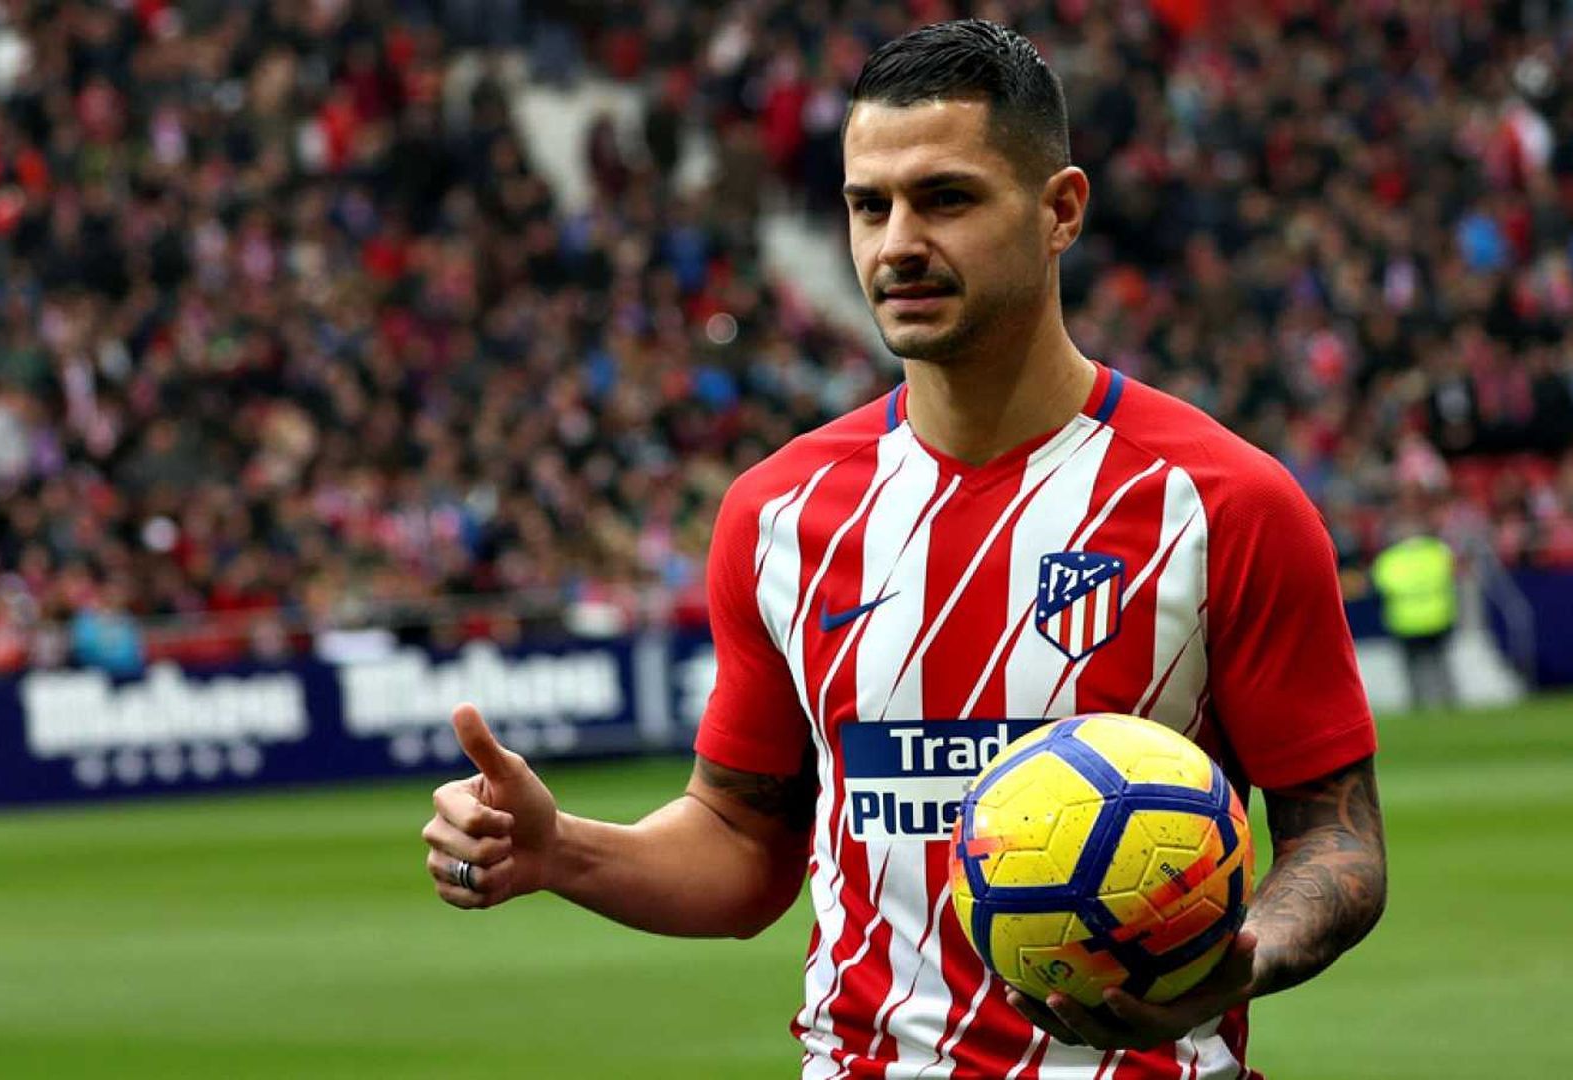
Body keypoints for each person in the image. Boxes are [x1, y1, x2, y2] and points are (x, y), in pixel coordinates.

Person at [421, 20, 1385, 1078]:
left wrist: (1244, 959)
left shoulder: (1223, 503)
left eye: (947, 198)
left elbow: (1336, 839)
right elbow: (743, 850)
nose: (897, 244)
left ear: (1061, 210)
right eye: (867, 206)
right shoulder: (779, 514)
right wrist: (562, 851)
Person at [1370, 514, 1459, 709]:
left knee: (1413, 668)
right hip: (1438, 617)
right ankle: (1449, 703)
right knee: (1440, 664)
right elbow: (1453, 575)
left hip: (1405, 621)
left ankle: (1418, 705)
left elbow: (1381, 586)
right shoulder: (1438, 551)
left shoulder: (1388, 559)